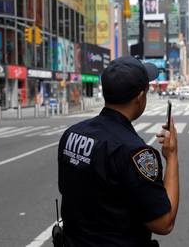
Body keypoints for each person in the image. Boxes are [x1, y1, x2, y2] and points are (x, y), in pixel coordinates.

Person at [57, 56, 180, 246]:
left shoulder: (71, 134)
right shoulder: (135, 152)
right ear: (140, 98)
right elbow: (164, 223)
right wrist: (172, 157)